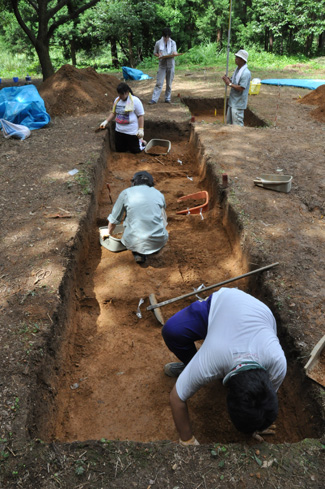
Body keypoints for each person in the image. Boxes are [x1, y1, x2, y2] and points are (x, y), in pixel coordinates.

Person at [161, 287, 287, 445]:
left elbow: (264, 398)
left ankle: (191, 371)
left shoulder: (278, 363)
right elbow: (176, 398)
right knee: (171, 331)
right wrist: (187, 441)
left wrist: (258, 422)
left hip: (257, 313)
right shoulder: (211, 359)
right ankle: (189, 365)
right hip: (223, 304)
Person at [107, 171, 168, 264]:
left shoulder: (126, 193)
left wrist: (109, 234)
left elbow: (114, 219)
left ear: (134, 182)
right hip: (159, 241)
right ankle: (155, 244)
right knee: (161, 212)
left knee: (131, 214)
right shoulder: (159, 194)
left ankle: (138, 253)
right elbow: (162, 214)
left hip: (134, 241)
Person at [100, 82, 144, 153]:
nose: (120, 96)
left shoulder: (135, 101)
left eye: (122, 94)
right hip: (119, 131)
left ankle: (142, 142)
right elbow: (114, 113)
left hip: (131, 132)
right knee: (120, 151)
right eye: (119, 94)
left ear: (127, 92)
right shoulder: (117, 100)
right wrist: (106, 121)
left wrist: (141, 129)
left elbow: (140, 115)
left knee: (135, 151)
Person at [222, 49, 251, 126]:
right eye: (236, 57)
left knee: (237, 125)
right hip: (232, 102)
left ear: (243, 60)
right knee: (229, 123)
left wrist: (230, 84)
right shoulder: (237, 70)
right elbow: (233, 81)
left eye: (238, 57)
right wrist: (228, 80)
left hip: (238, 103)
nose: (236, 59)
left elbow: (242, 88)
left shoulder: (245, 73)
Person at [149, 27, 177, 105]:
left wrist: (174, 53)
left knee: (169, 83)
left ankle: (167, 98)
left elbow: (174, 51)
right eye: (165, 37)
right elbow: (155, 52)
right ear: (163, 36)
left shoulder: (173, 43)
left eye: (168, 37)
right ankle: (154, 99)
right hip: (162, 65)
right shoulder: (158, 43)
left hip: (171, 64)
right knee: (159, 82)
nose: (167, 38)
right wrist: (158, 55)